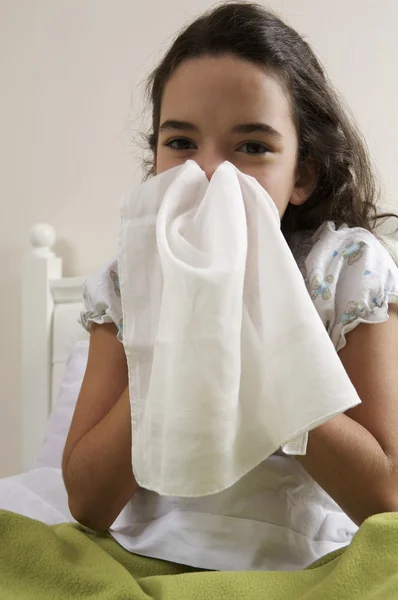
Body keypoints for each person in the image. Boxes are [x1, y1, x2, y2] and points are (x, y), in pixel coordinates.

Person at [62, 1, 398, 572]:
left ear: (303, 174)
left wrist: (256, 331)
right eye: (181, 144)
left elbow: (385, 497)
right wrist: (176, 331)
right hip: (149, 551)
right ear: (155, 160)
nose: (211, 174)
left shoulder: (344, 270)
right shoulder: (125, 283)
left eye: (252, 147)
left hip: (309, 561)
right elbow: (88, 503)